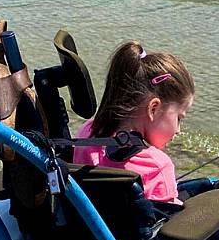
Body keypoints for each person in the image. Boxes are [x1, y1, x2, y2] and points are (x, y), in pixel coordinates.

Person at [73, 41, 195, 204]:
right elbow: (171, 220)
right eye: (179, 118)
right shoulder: (157, 166)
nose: (178, 130)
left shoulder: (87, 132)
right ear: (153, 108)